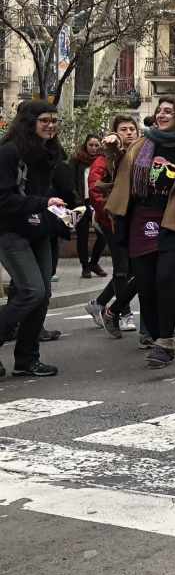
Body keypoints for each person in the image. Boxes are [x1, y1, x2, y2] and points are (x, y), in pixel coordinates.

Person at [104, 94, 175, 369]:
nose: (162, 115)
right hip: (139, 221)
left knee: (166, 279)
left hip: (173, 224)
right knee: (145, 284)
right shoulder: (140, 146)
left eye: (169, 111)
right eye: (160, 110)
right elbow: (119, 177)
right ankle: (155, 337)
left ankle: (166, 341)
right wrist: (111, 152)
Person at [0, 101, 77, 377]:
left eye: (54, 121)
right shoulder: (8, 153)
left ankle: (27, 360)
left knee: (41, 296)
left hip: (40, 230)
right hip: (10, 231)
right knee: (32, 290)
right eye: (44, 120)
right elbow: (4, 198)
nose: (51, 125)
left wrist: (68, 210)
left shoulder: (49, 153)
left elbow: (55, 191)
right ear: (28, 122)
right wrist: (42, 203)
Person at [87, 116, 140, 333]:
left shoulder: (141, 153)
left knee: (132, 269)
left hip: (133, 220)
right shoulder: (105, 158)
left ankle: (99, 303)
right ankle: (122, 313)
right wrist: (110, 213)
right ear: (115, 132)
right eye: (123, 129)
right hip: (111, 220)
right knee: (121, 269)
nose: (129, 133)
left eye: (132, 129)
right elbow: (95, 189)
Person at [69, 135, 107, 278]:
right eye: (91, 145)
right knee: (82, 236)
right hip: (81, 202)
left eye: (97, 145)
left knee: (103, 234)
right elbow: (71, 182)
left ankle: (94, 263)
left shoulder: (103, 161)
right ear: (86, 145)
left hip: (97, 202)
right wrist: (76, 200)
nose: (94, 148)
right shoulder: (77, 161)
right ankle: (85, 267)